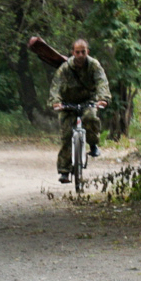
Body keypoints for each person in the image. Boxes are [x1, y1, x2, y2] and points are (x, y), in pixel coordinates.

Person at [48, 39, 111, 183]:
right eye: (77, 52)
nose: (80, 55)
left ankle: (93, 144)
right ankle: (64, 171)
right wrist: (56, 102)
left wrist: (103, 99)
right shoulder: (65, 68)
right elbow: (55, 86)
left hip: (88, 102)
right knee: (66, 136)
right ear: (72, 53)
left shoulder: (94, 65)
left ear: (87, 52)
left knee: (90, 118)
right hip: (67, 104)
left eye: (83, 52)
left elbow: (102, 82)